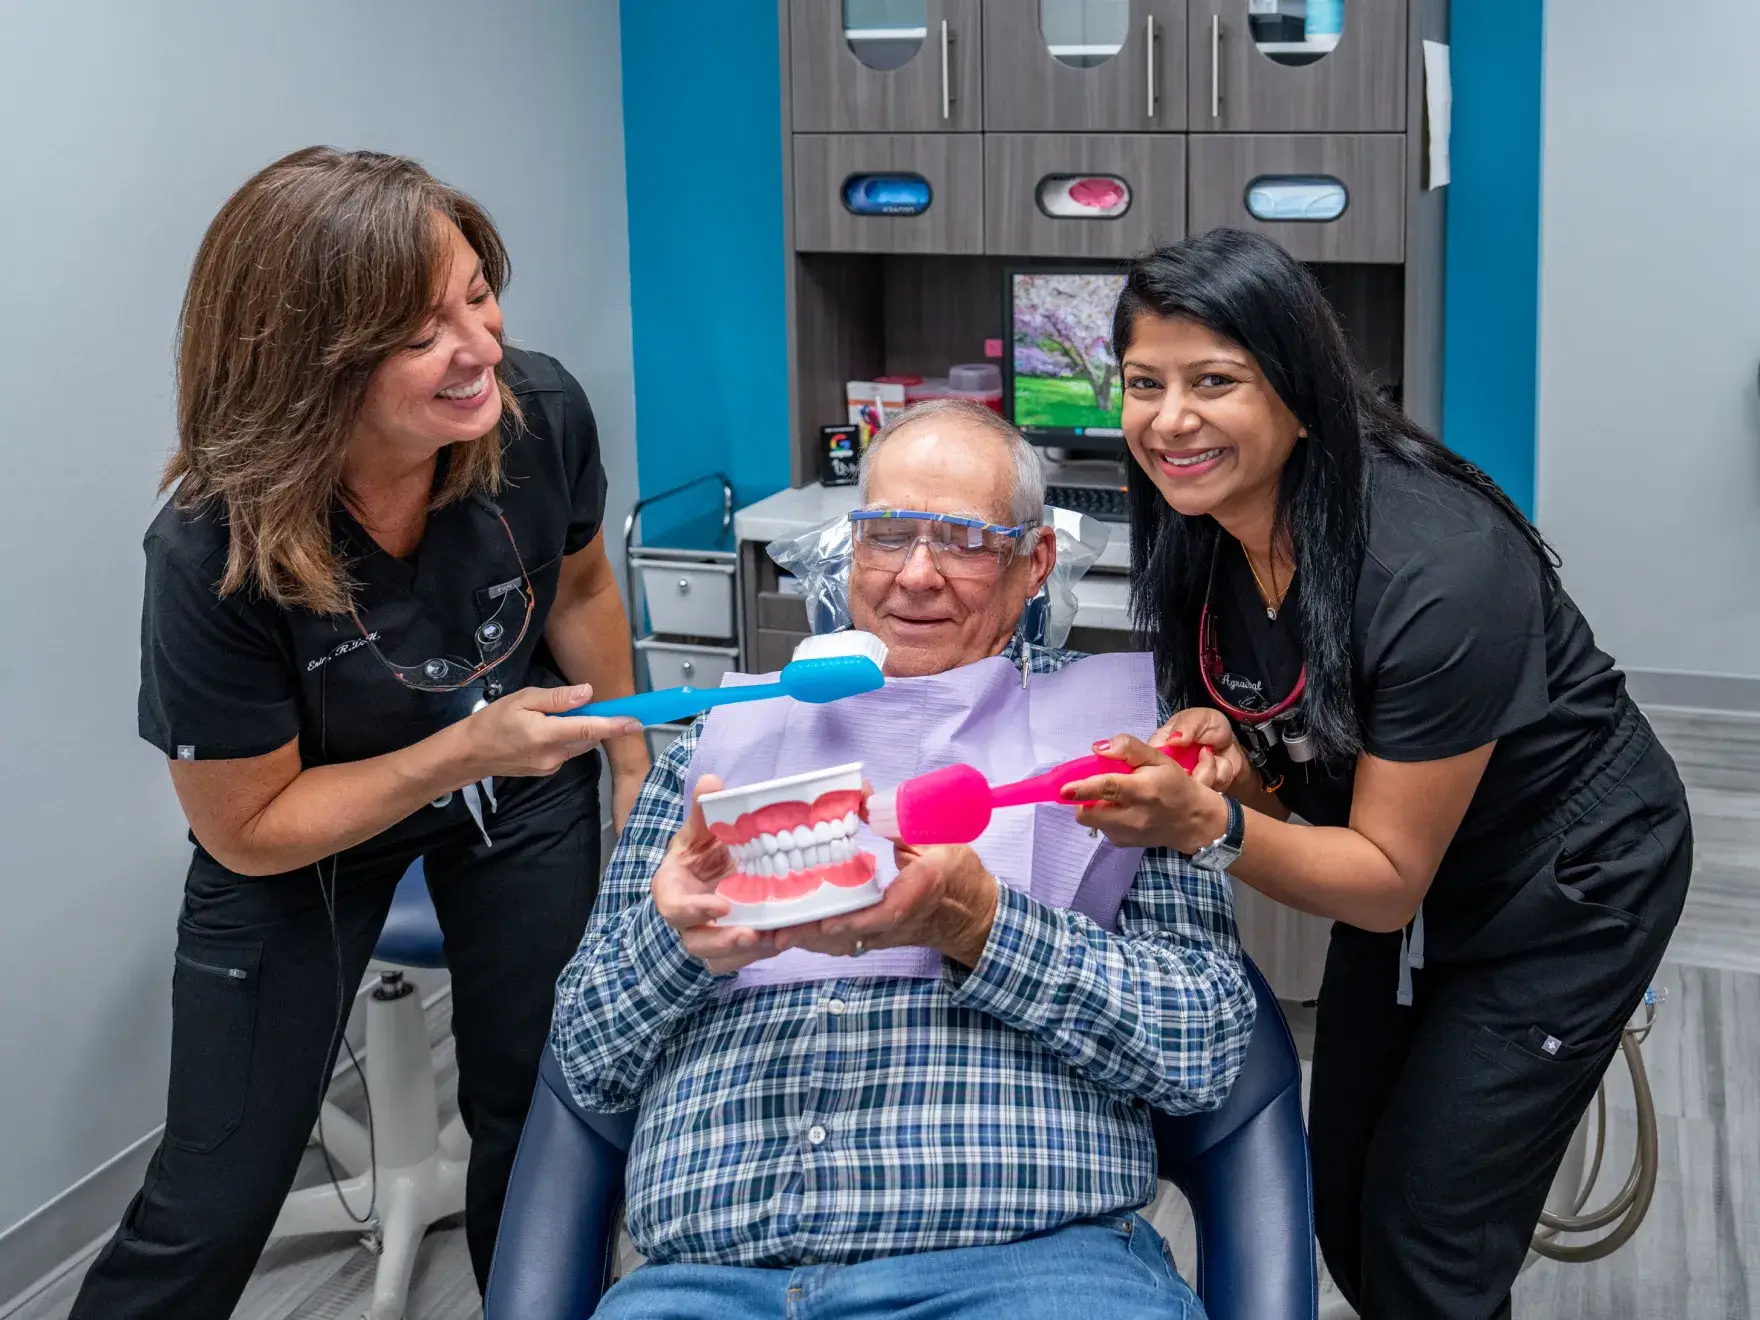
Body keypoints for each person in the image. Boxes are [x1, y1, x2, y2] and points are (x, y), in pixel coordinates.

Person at [1064, 229, 1692, 1319]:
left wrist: (1204, 826)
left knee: (1426, 1244)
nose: (1168, 421)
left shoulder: (1433, 569)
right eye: (1141, 384)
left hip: (1561, 887)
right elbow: (1290, 765)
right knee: (1344, 1201)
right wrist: (1231, 770)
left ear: (1299, 396)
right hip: (1394, 860)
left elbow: (1385, 876)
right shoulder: (1205, 531)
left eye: (1214, 382)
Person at [72, 147, 649, 1319]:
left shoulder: (535, 417)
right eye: (423, 332)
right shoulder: (209, 554)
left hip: (516, 782)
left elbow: (580, 588)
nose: (481, 348)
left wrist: (627, 761)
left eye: (478, 294)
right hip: (305, 830)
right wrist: (460, 752)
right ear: (311, 366)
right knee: (214, 1195)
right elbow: (248, 829)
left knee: (539, 1123)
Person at [550, 399, 1255, 1320]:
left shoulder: (1118, 754)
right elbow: (586, 1055)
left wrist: (982, 927)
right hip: (712, 1281)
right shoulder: (714, 744)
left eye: (962, 542)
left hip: (1029, 1270)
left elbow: (1204, 1045)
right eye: (886, 536)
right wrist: (681, 947)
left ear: (1033, 563)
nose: (914, 576)